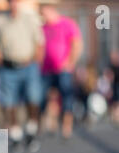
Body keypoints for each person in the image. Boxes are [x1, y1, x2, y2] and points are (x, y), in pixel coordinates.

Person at [0, 0, 45, 152]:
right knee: (9, 103)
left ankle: (31, 131)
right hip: (8, 67)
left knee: (33, 99)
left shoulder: (30, 18)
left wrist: (37, 63)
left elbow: (39, 43)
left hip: (29, 66)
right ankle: (15, 135)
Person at [39, 0, 83, 139]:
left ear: (51, 9)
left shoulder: (67, 24)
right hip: (46, 70)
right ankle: (50, 123)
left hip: (63, 69)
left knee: (66, 97)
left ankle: (66, 126)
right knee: (45, 97)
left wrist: (70, 62)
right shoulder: (43, 27)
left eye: (43, 11)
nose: (42, 15)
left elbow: (77, 44)